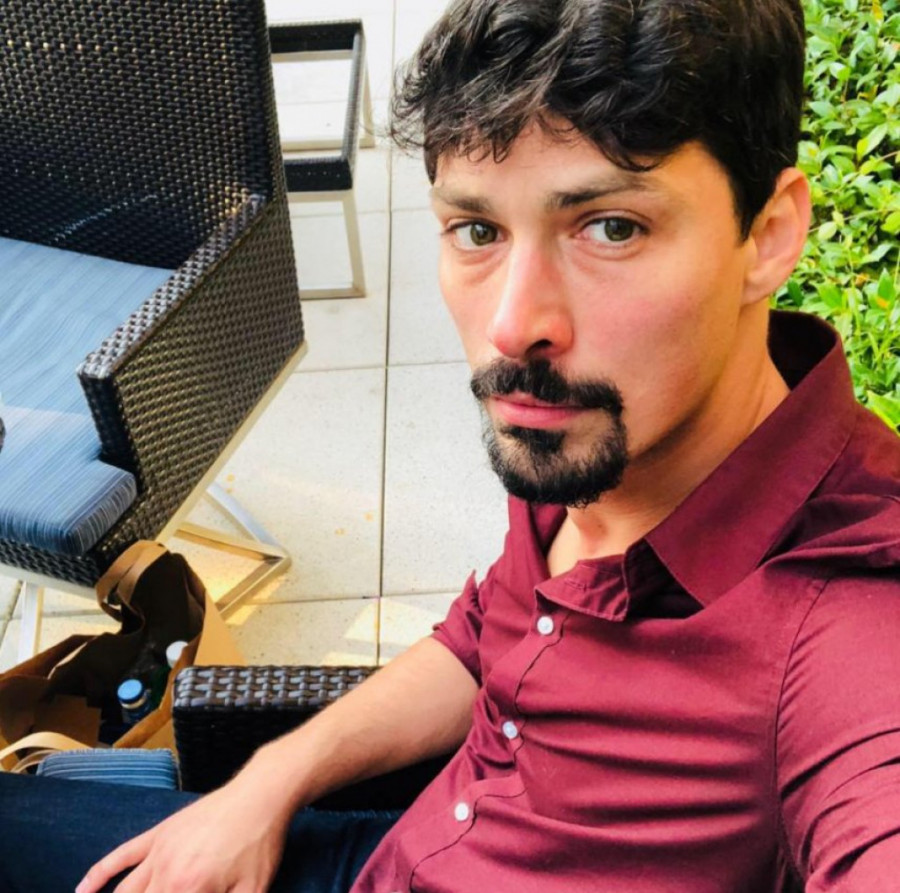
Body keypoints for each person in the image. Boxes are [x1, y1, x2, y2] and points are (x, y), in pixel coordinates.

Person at [2, 0, 899, 890]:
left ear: (769, 235)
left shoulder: (845, 624)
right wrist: (268, 783)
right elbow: (483, 637)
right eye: (478, 230)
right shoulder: (591, 433)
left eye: (611, 227)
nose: (513, 326)